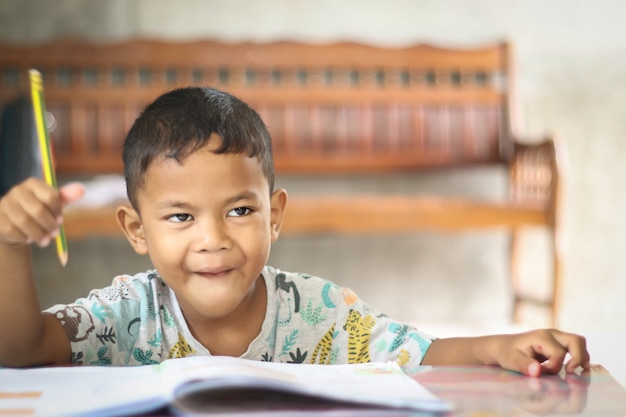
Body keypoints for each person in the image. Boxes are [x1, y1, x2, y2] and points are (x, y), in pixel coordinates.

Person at [0, 87, 590, 376]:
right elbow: (20, 351)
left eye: (239, 211)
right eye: (180, 217)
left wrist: (499, 346)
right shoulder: (126, 312)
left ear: (274, 214)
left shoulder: (320, 313)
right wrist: (9, 243)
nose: (213, 239)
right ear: (136, 228)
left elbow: (418, 354)